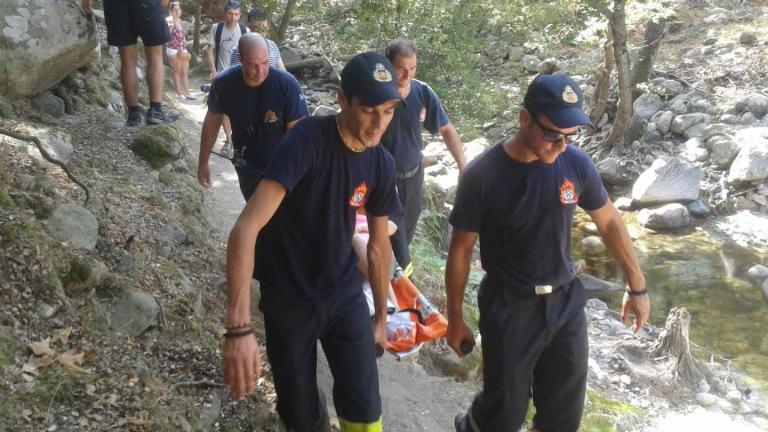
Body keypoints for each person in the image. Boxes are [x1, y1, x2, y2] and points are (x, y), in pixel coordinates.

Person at [445, 74, 651, 432]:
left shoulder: (575, 163)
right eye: (553, 134)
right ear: (525, 119)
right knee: (504, 414)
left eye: (571, 136)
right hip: (509, 306)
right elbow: (461, 250)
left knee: (562, 417)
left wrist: (637, 286)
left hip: (565, 301)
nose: (561, 145)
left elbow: (609, 223)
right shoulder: (484, 175)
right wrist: (454, 317)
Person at [221, 52, 402, 431]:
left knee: (366, 407)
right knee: (300, 414)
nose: (378, 123)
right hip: (288, 298)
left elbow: (379, 245)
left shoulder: (380, 163)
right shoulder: (305, 142)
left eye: (388, 111)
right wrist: (238, 329)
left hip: (343, 292)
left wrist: (382, 319)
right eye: (369, 109)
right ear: (342, 99)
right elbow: (246, 229)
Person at [381, 39, 467, 277]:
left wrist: (463, 166)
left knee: (405, 233)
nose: (407, 74)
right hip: (381, 181)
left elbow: (447, 130)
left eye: (413, 68)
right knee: (385, 237)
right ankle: (383, 286)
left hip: (413, 177)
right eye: (400, 68)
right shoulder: (376, 94)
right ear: (388, 65)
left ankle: (397, 285)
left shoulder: (423, 92)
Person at [197, 33, 308, 200]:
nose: (260, 71)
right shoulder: (223, 84)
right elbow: (212, 123)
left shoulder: (287, 85)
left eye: (264, 63)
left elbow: (300, 135)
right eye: (253, 65)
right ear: (240, 59)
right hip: (247, 166)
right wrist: (203, 162)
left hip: (282, 168)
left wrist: (303, 174)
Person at [95, 0, 176, 126]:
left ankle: (134, 115)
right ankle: (156, 110)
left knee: (127, 59)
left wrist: (86, 4)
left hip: (115, 5)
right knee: (155, 55)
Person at [207, 0, 248, 154]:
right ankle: (229, 141)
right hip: (222, 76)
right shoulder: (216, 29)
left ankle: (238, 141)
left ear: (240, 15)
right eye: (230, 14)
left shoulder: (244, 30)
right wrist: (213, 70)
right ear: (225, 13)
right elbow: (210, 49)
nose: (233, 17)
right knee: (224, 110)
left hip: (241, 77)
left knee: (240, 111)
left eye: (236, 14)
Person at [166, 2, 195, 100]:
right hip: (173, 49)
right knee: (177, 71)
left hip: (182, 49)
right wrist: (170, 23)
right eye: (175, 10)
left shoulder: (180, 20)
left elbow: (182, 36)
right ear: (170, 11)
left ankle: (187, 93)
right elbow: (167, 36)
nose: (178, 12)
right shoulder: (169, 21)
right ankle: (179, 93)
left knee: (184, 72)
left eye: (179, 9)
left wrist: (184, 44)